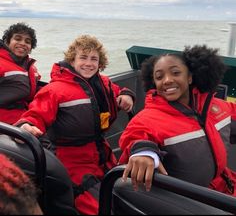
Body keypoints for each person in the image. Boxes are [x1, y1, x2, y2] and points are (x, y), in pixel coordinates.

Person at [15, 34, 135, 215]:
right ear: (72, 60)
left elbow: (118, 90)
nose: (89, 63)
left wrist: (126, 94)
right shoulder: (55, 90)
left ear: (100, 62)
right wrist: (26, 124)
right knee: (98, 207)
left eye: (94, 58)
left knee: (126, 198)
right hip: (72, 161)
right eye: (83, 57)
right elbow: (36, 113)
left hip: (102, 153)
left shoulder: (103, 82)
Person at [119, 44, 236, 197]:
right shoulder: (146, 119)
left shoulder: (217, 107)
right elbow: (135, 138)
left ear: (189, 77)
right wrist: (144, 153)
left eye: (175, 73)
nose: (167, 80)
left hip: (225, 184)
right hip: (190, 199)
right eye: (159, 77)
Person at [0, 22, 41, 124]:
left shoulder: (29, 67)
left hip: (24, 117)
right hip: (5, 123)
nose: (23, 43)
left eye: (27, 41)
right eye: (17, 39)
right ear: (7, 41)